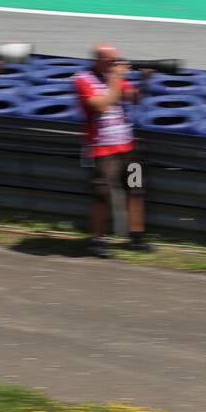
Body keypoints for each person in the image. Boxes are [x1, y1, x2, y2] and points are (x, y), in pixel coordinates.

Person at [73, 43, 148, 258]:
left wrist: (145, 79)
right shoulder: (82, 79)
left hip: (127, 144)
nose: (115, 63)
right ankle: (98, 240)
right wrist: (116, 78)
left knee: (136, 189)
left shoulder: (115, 78)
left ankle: (137, 237)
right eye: (110, 60)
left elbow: (133, 98)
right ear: (98, 60)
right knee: (102, 194)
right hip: (101, 148)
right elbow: (101, 105)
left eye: (117, 59)